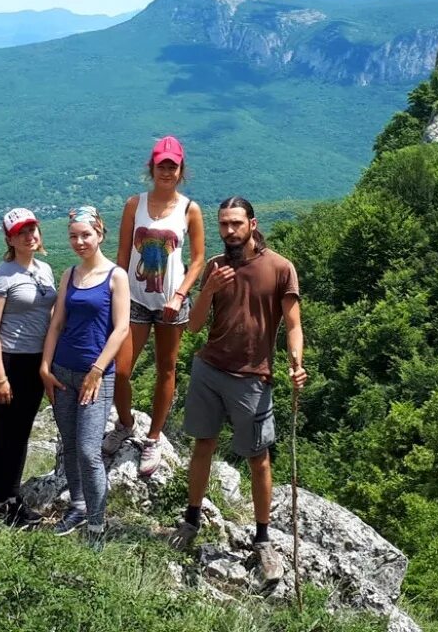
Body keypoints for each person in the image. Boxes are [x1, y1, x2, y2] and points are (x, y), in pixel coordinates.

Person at [168, 197, 306, 586]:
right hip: (210, 368)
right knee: (202, 445)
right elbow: (193, 327)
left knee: (258, 458)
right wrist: (208, 289)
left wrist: (296, 362)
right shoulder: (215, 266)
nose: (228, 231)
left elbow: (293, 324)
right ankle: (191, 519)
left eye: (235, 224)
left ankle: (262, 540)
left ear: (252, 224)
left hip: (253, 376)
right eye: (223, 224)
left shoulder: (280, 268)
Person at [105, 135, 204, 478]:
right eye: (161, 165)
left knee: (166, 369)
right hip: (133, 298)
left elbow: (198, 259)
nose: (166, 171)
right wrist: (113, 293)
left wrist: (179, 296)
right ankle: (126, 422)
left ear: (180, 170)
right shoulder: (135, 204)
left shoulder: (190, 209)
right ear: (152, 167)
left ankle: (153, 437)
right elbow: (121, 254)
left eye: (172, 166)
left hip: (171, 305)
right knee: (120, 370)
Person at [40, 206, 130, 543]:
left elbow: (121, 329)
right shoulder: (69, 275)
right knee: (71, 446)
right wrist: (45, 367)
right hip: (63, 372)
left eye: (85, 235)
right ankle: (77, 506)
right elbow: (57, 324)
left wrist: (96, 371)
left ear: (100, 235)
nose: (79, 241)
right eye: (74, 236)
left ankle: (96, 524)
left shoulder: (115, 276)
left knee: (90, 451)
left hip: (97, 376)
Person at [0, 208, 55, 527]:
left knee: (21, 433)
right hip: (9, 359)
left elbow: (50, 318)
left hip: (36, 361)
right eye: (22, 232)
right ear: (10, 238)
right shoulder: (2, 274)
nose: (30, 236)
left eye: (33, 229)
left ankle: (13, 499)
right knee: (2, 433)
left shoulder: (46, 269)